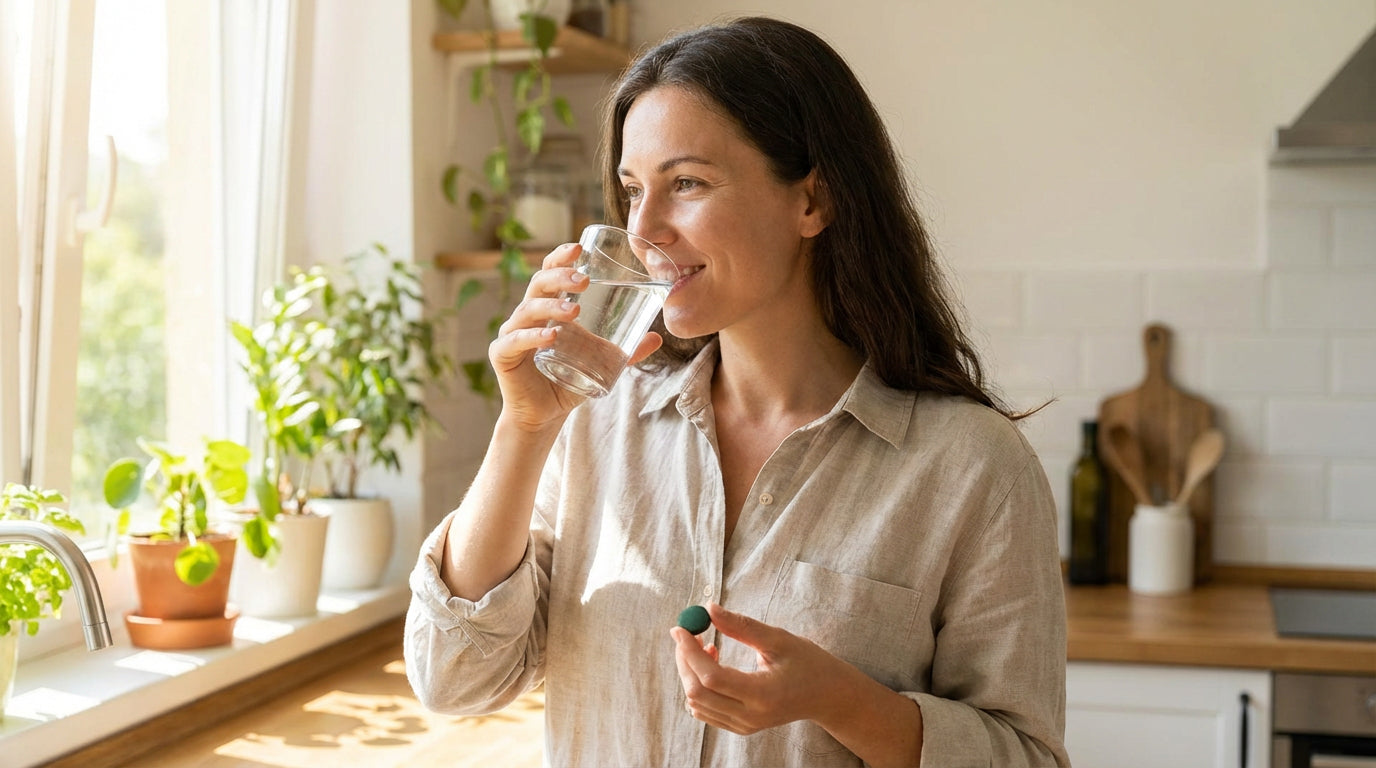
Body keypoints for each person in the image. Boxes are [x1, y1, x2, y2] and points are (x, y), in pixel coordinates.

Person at [405, 15, 1069, 768]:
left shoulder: (973, 467)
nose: (645, 229)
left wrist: (842, 702)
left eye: (686, 183)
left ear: (813, 202)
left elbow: (1028, 758)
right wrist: (522, 428)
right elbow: (454, 676)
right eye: (631, 190)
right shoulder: (594, 421)